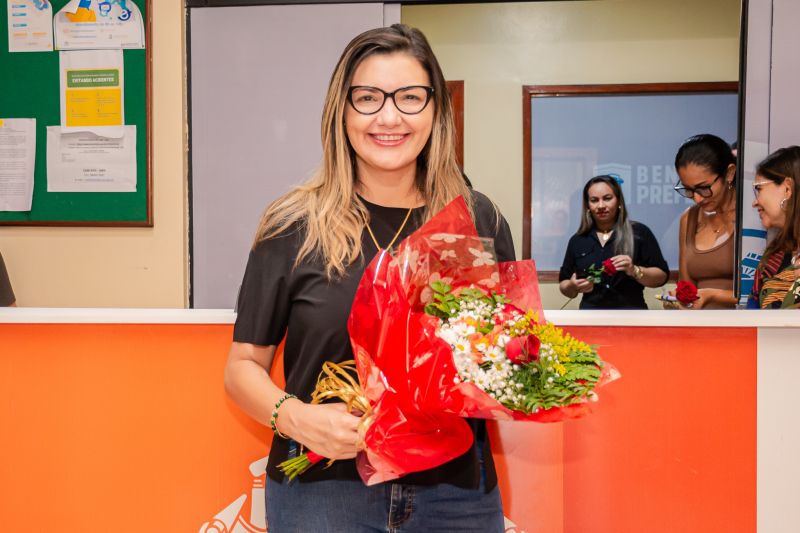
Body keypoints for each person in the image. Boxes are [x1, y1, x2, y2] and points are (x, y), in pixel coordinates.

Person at [224, 24, 513, 532]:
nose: (389, 117)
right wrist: (298, 419)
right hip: (323, 493)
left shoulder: (477, 218)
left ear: (436, 110)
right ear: (342, 111)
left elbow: (505, 353)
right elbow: (242, 368)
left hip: (455, 494)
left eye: (410, 97)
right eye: (368, 98)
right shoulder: (292, 225)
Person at [559, 175, 669, 309]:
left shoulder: (639, 233)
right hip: (590, 315)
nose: (601, 206)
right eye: (594, 200)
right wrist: (572, 286)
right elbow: (564, 285)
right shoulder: (577, 240)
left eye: (607, 198)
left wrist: (634, 270)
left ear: (619, 202)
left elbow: (661, 277)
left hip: (632, 314)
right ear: (587, 206)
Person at [670, 134, 738, 309]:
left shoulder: (753, 216)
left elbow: (763, 293)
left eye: (704, 188)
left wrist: (713, 295)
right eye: (688, 190)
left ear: (730, 173)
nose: (697, 198)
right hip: (699, 324)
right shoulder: (689, 218)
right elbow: (686, 285)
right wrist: (679, 300)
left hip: (746, 324)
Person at [747, 146, 800, 309]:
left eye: (759, 189)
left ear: (787, 189)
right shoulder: (772, 257)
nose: (754, 202)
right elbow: (752, 318)